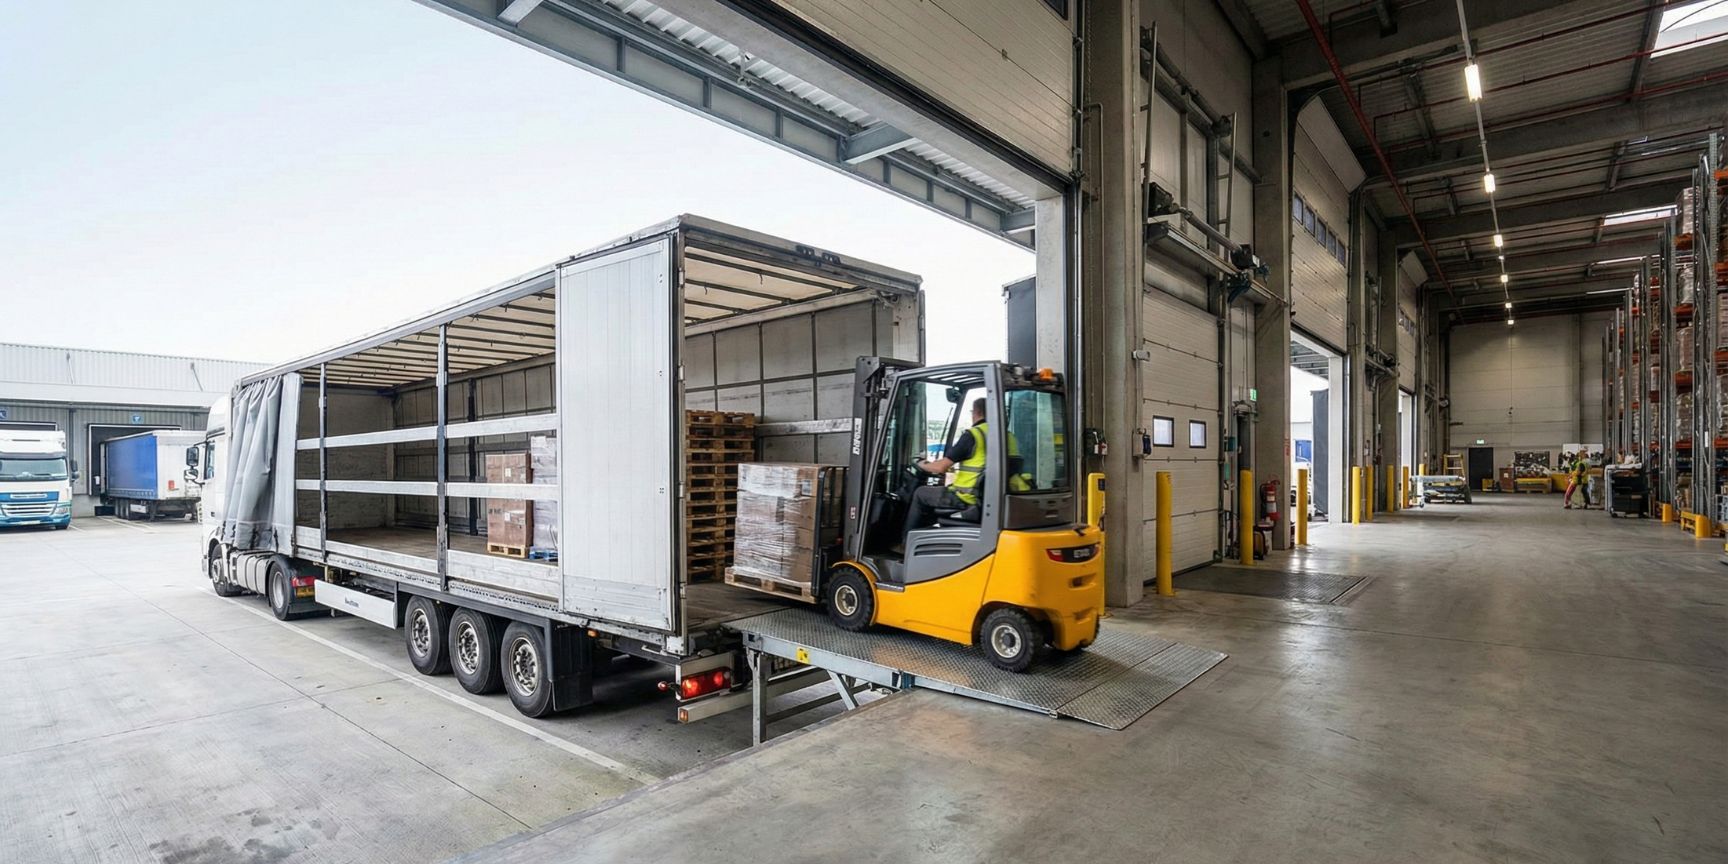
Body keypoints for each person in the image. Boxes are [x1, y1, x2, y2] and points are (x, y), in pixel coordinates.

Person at [904, 397, 990, 537]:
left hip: (966, 499)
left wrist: (921, 464)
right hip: (988, 500)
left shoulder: (974, 435)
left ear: (976, 412)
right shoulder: (1008, 437)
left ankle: (905, 541)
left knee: (921, 493)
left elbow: (940, 468)